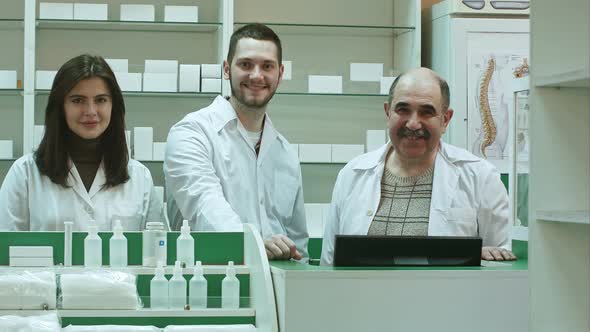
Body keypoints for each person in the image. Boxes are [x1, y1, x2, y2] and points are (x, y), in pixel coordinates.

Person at [320, 68, 516, 265]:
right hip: (362, 296)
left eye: (426, 112)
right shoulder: (352, 174)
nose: (413, 124)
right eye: (402, 109)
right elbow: (329, 262)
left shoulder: (480, 177)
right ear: (388, 113)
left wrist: (488, 258)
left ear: (445, 119)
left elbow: (503, 260)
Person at [165, 23, 308, 260]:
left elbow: (298, 242)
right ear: (226, 69)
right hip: (211, 285)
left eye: (267, 66)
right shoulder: (192, 134)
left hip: (277, 289)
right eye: (245, 64)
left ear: (280, 74)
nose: (256, 75)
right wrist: (257, 248)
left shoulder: (285, 152)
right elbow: (206, 208)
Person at [0, 54, 165, 231]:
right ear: (60, 107)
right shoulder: (25, 174)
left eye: (100, 100)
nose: (91, 111)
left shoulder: (139, 178)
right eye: (78, 100)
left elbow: (160, 250)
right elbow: (5, 249)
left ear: (113, 106)